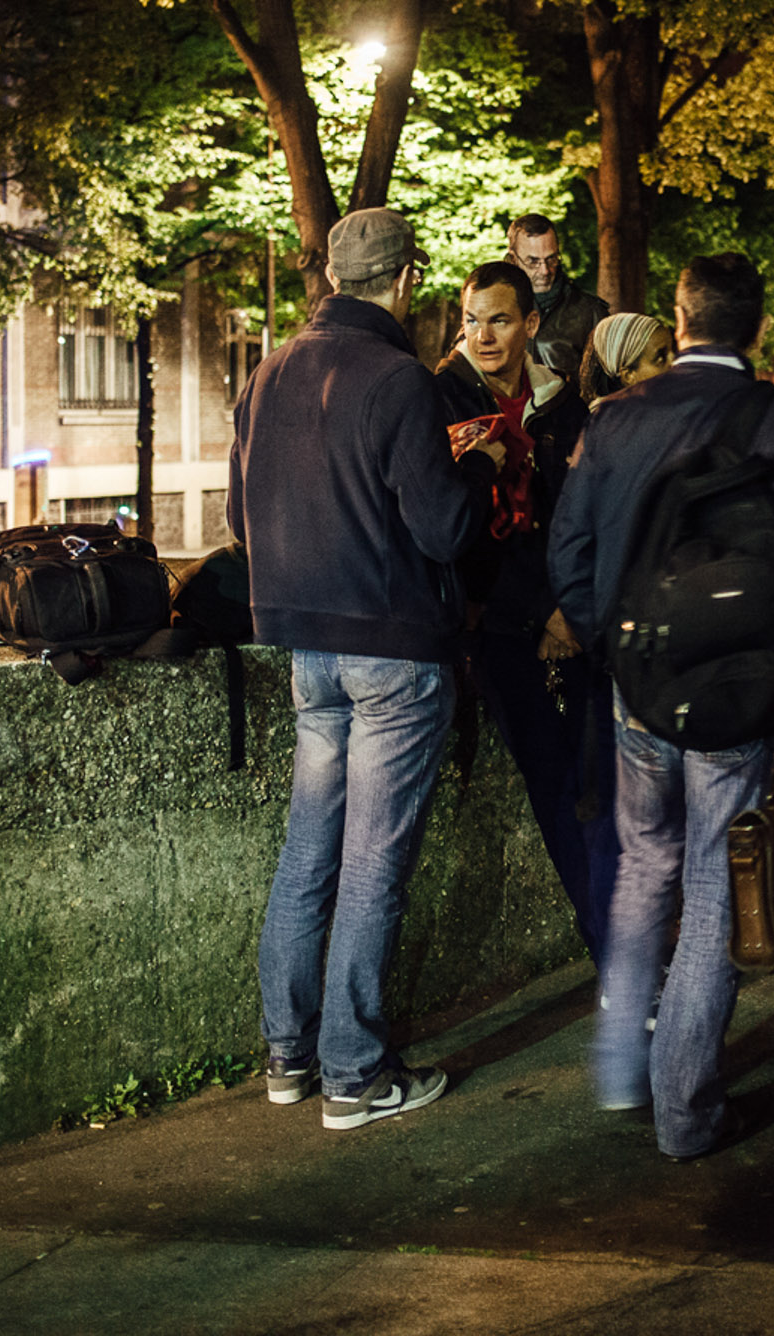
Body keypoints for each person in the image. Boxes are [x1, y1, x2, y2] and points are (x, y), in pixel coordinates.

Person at [227, 208, 505, 1131]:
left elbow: (240, 520)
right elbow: (443, 530)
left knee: (309, 847)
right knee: (375, 862)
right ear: (404, 279)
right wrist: (482, 467)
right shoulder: (400, 380)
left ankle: (288, 1053)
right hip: (391, 645)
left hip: (306, 647)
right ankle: (354, 1072)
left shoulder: (266, 375)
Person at [547, 252, 774, 1161]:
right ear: (755, 322)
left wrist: (611, 648)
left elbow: (570, 553)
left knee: (641, 868)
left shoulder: (617, 418)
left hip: (640, 688)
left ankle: (622, 1067)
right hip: (736, 697)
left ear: (680, 315)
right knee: (714, 885)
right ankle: (686, 1110)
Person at [434, 261, 615, 958]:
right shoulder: (440, 399)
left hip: (574, 620)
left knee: (597, 782)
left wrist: (569, 610)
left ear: (531, 324)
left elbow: (579, 513)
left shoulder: (562, 406)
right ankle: (608, 944)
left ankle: (620, 931)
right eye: (472, 320)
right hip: (500, 626)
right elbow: (458, 533)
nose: (482, 335)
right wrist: (543, 612)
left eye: (499, 320)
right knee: (553, 781)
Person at [508, 213, 610, 379]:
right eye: (533, 261)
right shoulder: (492, 305)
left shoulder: (590, 311)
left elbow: (608, 386)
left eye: (551, 259)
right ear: (514, 258)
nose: (545, 271)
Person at [579, 312, 676, 408]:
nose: (675, 362)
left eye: (674, 351)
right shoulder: (610, 420)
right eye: (661, 359)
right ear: (628, 376)